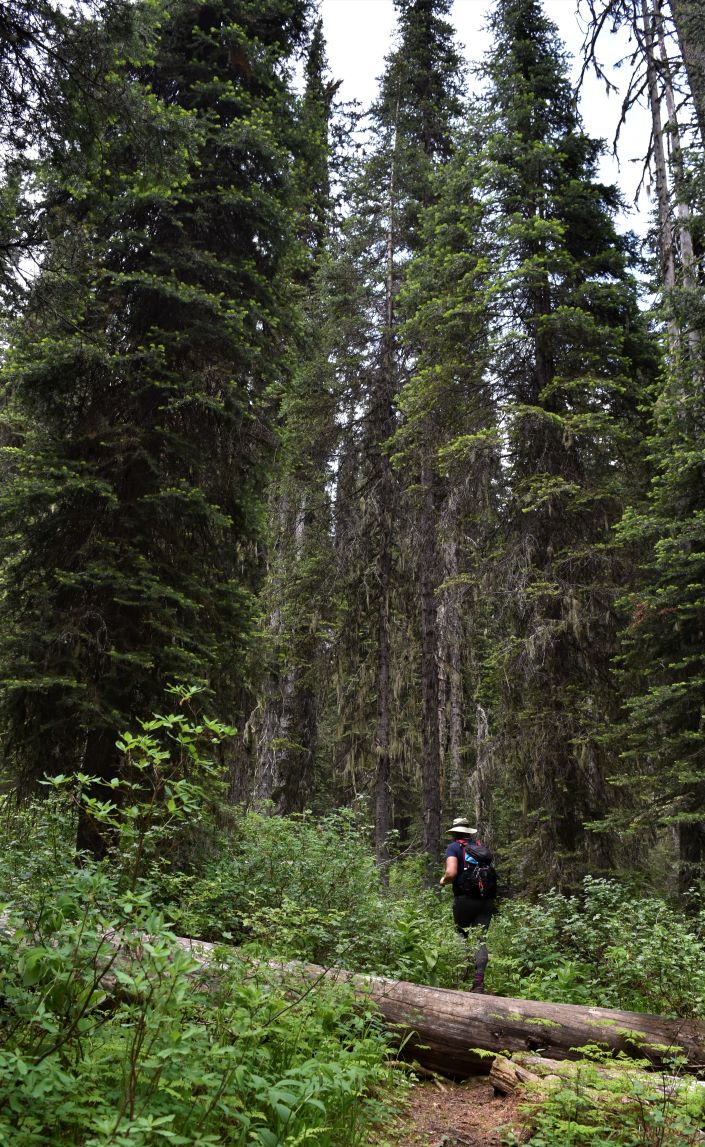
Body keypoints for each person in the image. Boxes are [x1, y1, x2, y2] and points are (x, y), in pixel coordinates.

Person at [440, 816, 497, 993]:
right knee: (480, 939)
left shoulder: (453, 847)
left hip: (464, 900)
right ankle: (478, 982)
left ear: (454, 833)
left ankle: (460, 978)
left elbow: (451, 872)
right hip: (486, 900)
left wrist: (443, 881)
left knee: (461, 935)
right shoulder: (479, 846)